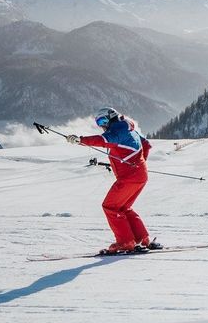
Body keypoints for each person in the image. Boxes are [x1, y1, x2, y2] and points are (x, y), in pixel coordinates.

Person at [66, 107, 161, 254]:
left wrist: (80, 140)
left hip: (129, 178)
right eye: (99, 122)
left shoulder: (117, 130)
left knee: (110, 206)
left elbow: (103, 140)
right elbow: (146, 145)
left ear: (112, 118)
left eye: (103, 121)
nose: (102, 125)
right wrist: (140, 163)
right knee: (123, 208)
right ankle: (142, 239)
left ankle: (125, 242)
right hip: (139, 176)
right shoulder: (129, 128)